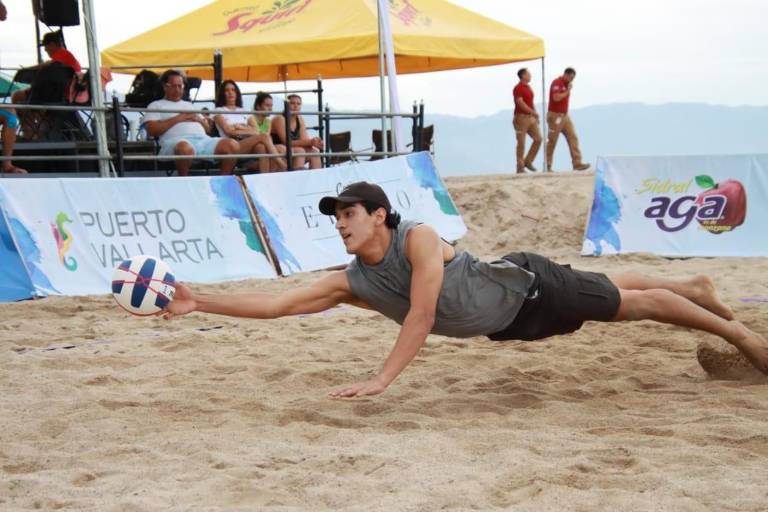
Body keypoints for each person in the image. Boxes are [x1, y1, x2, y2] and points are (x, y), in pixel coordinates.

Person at [163, 182, 768, 397]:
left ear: (379, 216)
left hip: (530, 291)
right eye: (336, 217)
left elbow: (422, 316)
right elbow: (275, 305)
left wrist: (382, 378)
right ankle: (692, 283)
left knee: (633, 307)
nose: (340, 224)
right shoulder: (353, 281)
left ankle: (739, 333)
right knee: (606, 287)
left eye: (349, 214)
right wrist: (199, 301)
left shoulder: (419, 239)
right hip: (507, 323)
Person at [143, 70, 238, 176]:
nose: (177, 90)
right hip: (176, 142)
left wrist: (198, 119)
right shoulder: (156, 105)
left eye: (180, 86)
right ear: (165, 87)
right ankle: (184, 181)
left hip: (203, 140)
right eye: (174, 86)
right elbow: (152, 130)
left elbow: (207, 130)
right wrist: (180, 117)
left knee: (232, 145)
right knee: (185, 148)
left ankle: (223, 180)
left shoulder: (189, 105)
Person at [213, 81, 286, 173]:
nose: (230, 92)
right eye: (227, 90)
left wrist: (240, 127)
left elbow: (256, 131)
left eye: (233, 90)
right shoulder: (218, 111)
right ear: (222, 94)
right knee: (264, 136)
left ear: (237, 93)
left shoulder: (244, 110)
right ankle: (282, 165)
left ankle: (264, 176)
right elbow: (229, 132)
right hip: (231, 145)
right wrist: (247, 129)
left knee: (261, 147)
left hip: (247, 142)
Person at [546, 67, 590, 172]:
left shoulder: (566, 84)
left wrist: (567, 89)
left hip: (564, 116)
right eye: (571, 77)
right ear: (565, 74)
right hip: (555, 116)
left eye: (573, 78)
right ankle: (548, 165)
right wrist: (568, 91)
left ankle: (577, 163)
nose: (572, 80)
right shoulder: (557, 83)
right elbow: (556, 98)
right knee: (552, 140)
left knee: (573, 137)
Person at [270, 94, 324, 170]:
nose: (296, 106)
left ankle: (316, 176)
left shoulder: (299, 119)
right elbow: (287, 142)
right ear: (286, 105)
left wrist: (315, 142)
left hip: (292, 150)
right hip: (278, 150)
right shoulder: (279, 118)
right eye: (292, 103)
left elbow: (305, 140)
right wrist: (310, 142)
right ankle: (296, 176)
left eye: (298, 104)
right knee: (300, 151)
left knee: (314, 152)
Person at [512, 68, 542, 174]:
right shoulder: (518, 88)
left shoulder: (528, 88)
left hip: (530, 117)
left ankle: (528, 161)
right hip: (521, 118)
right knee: (521, 143)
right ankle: (520, 167)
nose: (530, 75)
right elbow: (520, 102)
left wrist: (535, 114)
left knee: (538, 139)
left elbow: (530, 102)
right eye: (528, 74)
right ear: (523, 75)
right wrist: (532, 112)